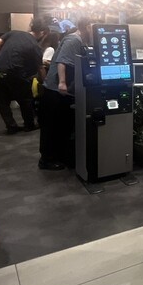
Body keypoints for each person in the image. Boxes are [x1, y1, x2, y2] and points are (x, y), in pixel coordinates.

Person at [38, 17, 91, 171]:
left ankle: (59, 156)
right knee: (53, 126)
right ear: (87, 26)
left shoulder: (80, 40)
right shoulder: (74, 40)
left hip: (63, 91)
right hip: (56, 90)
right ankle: (47, 160)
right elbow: (63, 61)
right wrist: (62, 82)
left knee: (61, 125)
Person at [0, 17, 48, 134]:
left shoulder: (14, 33)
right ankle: (29, 125)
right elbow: (40, 68)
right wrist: (45, 83)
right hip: (15, 73)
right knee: (25, 99)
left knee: (2, 100)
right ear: (42, 32)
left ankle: (11, 126)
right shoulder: (35, 46)